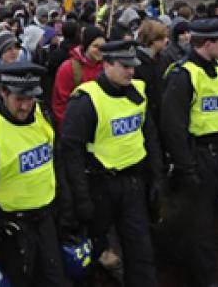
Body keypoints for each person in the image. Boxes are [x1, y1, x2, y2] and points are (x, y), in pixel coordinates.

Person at [60, 40, 163, 286]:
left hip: (133, 184)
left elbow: (149, 136)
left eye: (133, 66)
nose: (131, 71)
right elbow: (71, 153)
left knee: (140, 250)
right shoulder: (86, 100)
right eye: (124, 66)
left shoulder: (138, 92)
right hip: (99, 186)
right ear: (106, 64)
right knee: (91, 253)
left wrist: (156, 176)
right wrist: (81, 198)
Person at [0, 61, 68, 286]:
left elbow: (56, 163)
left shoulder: (42, 116)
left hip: (45, 222)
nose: (25, 107)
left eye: (30, 99)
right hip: (8, 234)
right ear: (3, 92)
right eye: (19, 99)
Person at [160, 18, 218, 286]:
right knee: (199, 221)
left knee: (211, 215)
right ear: (208, 43)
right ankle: (205, 277)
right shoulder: (182, 74)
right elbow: (173, 126)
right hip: (198, 154)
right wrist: (186, 167)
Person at [51, 26, 105, 130]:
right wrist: (68, 128)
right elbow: (59, 104)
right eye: (95, 46)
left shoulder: (107, 66)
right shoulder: (68, 68)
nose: (100, 50)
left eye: (103, 47)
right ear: (86, 46)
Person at [134, 19, 168, 131]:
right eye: (162, 38)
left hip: (160, 114)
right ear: (153, 40)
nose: (166, 41)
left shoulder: (162, 59)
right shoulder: (135, 62)